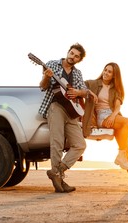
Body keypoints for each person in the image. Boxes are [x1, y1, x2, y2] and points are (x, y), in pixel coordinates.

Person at [83, 62, 128, 192]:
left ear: (114, 75)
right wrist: (88, 92)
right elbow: (79, 87)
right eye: (105, 70)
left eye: (109, 72)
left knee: (126, 149)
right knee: (127, 122)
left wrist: (113, 116)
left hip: (113, 117)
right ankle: (120, 157)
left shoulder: (116, 89)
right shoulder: (93, 83)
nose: (106, 73)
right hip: (100, 117)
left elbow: (117, 106)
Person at [38, 43, 90, 193]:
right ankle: (59, 180)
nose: (72, 57)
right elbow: (43, 86)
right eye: (71, 53)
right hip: (56, 107)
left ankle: (57, 171)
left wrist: (78, 93)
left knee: (80, 145)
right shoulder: (52, 65)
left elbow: (85, 91)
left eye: (76, 56)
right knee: (57, 142)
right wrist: (46, 77)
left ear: (79, 59)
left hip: (72, 112)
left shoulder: (77, 73)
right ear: (68, 52)